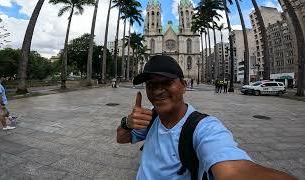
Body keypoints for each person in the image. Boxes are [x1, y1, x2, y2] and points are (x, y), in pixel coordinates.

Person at [116, 55, 296, 180]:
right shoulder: (150, 117)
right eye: (151, 84)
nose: (157, 90)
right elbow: (121, 138)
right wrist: (127, 123)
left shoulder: (204, 128)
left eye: (167, 82)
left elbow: (234, 171)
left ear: (184, 85)